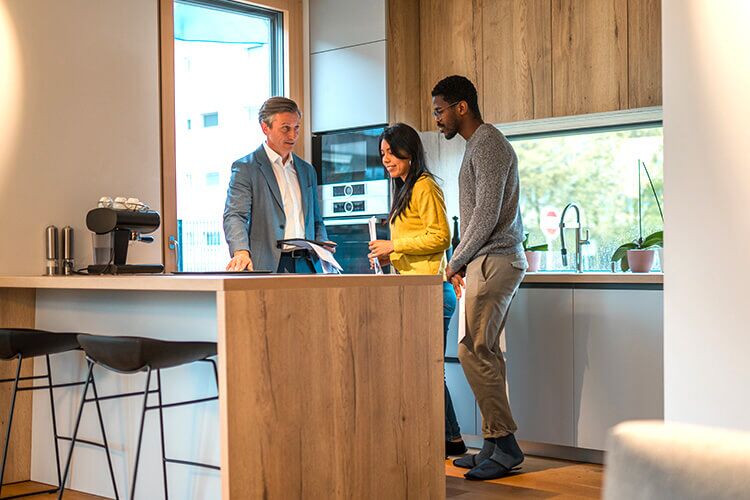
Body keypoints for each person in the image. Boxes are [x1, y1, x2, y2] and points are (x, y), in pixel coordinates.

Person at [432, 75, 528, 480]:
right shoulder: (480, 145)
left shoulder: (487, 142)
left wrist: (456, 261)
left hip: (494, 258)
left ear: (461, 107)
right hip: (488, 259)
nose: (437, 119)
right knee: (486, 350)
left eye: (440, 111)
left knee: (473, 349)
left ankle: (505, 445)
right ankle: (492, 442)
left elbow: (486, 215)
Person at [367, 123, 467, 458]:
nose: (387, 159)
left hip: (432, 293)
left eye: (392, 152)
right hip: (417, 291)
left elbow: (440, 237)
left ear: (409, 150)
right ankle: (448, 440)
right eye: (383, 154)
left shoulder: (425, 186)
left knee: (427, 369)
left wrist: (394, 246)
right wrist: (390, 253)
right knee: (424, 369)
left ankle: (450, 438)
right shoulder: (405, 187)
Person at [223, 96, 333, 273]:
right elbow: (235, 215)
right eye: (285, 129)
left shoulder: (307, 171)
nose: (293, 135)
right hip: (269, 264)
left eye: (296, 128)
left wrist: (323, 244)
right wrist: (240, 251)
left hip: (308, 264)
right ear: (265, 127)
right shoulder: (246, 168)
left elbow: (316, 220)